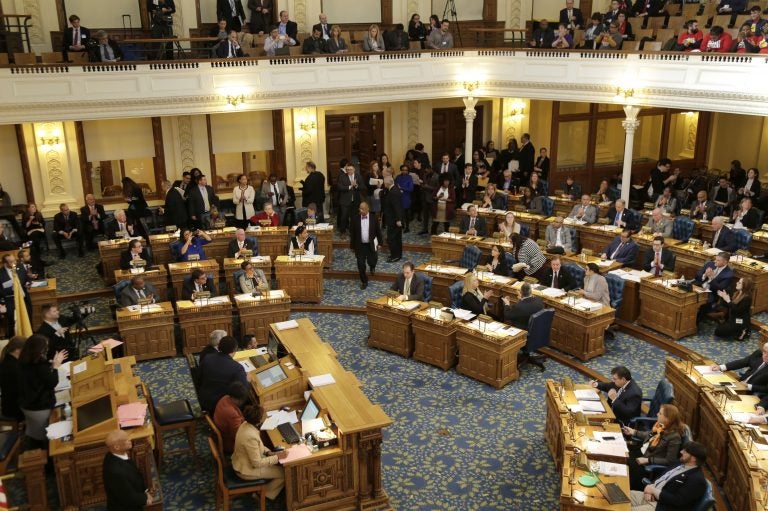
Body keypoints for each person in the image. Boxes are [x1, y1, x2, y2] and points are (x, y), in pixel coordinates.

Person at [622, 404, 686, 491]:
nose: (657, 414)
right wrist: (633, 432)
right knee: (619, 453)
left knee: (623, 464)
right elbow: (649, 435)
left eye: (660, 413)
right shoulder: (660, 427)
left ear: (667, 419)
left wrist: (648, 460)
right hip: (641, 451)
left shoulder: (674, 437)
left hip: (646, 460)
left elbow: (670, 460)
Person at [629, 441, 708, 511]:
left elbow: (677, 501)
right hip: (651, 497)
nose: (681, 451)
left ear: (693, 458)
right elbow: (661, 477)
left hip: (661, 507)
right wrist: (649, 490)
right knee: (621, 495)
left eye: (685, 451)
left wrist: (653, 491)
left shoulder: (696, 480)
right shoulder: (679, 463)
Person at [18, 334, 67, 448]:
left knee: (33, 430)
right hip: (38, 408)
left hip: (25, 404)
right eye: (45, 348)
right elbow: (52, 382)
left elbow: (36, 376)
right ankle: (44, 452)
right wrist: (55, 366)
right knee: (46, 436)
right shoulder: (40, 366)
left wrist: (49, 365)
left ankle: (32, 440)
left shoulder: (23, 361)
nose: (46, 350)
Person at [231, 405, 286, 500]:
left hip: (243, 462)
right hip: (246, 470)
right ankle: (262, 494)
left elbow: (258, 445)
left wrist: (269, 452)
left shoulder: (245, 425)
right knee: (285, 473)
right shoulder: (250, 436)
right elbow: (257, 463)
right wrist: (278, 457)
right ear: (259, 420)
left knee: (278, 466)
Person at [103, 429, 153, 511]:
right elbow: (129, 497)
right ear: (117, 447)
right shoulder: (116, 472)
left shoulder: (112, 454)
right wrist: (145, 498)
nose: (130, 440)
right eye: (126, 440)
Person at [198, 336, 248, 414]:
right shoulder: (237, 368)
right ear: (235, 349)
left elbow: (199, 378)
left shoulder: (207, 358)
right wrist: (248, 381)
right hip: (221, 405)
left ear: (219, 346)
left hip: (203, 398)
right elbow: (243, 391)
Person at [350, 201, 381, 290]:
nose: (361, 210)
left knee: (372, 260)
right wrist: (352, 246)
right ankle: (364, 281)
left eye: (363, 209)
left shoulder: (374, 217)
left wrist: (380, 243)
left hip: (371, 244)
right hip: (360, 246)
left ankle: (372, 266)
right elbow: (353, 233)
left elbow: (378, 231)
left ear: (368, 209)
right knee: (360, 264)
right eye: (360, 208)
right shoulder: (355, 218)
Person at [0, 253, 32, 338]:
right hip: (11, 302)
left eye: (15, 260)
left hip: (25, 299)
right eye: (11, 262)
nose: (14, 263)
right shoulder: (1, 274)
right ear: (5, 263)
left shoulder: (19, 266)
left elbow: (26, 278)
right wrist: (11, 289)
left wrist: (28, 283)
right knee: (14, 323)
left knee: (28, 319)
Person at [213, 381, 248, 454]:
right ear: (238, 399)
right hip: (229, 443)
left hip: (222, 435)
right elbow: (237, 436)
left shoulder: (225, 398)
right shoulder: (232, 413)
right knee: (263, 438)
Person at [0, 336, 25, 421]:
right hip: (14, 409)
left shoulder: (10, 360)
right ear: (18, 350)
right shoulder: (11, 366)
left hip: (12, 404)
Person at [337, 163, 362, 237]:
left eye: (350, 169)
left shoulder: (358, 176)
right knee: (344, 217)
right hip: (345, 201)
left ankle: (352, 231)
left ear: (354, 169)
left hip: (355, 201)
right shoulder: (342, 177)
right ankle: (343, 232)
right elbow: (339, 187)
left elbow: (363, 186)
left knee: (354, 217)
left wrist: (357, 186)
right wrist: (349, 187)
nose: (349, 171)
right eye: (347, 169)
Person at [382, 176, 404, 263]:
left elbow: (397, 207)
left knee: (392, 238)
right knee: (397, 238)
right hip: (394, 219)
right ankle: (398, 254)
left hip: (394, 220)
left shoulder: (393, 192)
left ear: (387, 183)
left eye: (384, 183)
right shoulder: (394, 189)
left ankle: (395, 256)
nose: (384, 184)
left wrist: (399, 220)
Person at [21, 203, 46, 268]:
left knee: (35, 236)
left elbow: (43, 224)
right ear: (28, 209)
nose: (34, 208)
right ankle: (36, 252)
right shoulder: (25, 215)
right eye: (32, 207)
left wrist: (39, 224)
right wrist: (30, 219)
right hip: (30, 232)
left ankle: (34, 251)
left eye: (35, 206)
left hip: (39, 231)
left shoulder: (38, 214)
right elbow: (25, 226)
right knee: (33, 236)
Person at [395, 165, 414, 233]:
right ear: (401, 170)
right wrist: (398, 189)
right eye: (403, 169)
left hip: (406, 197)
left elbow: (411, 189)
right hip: (398, 197)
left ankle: (407, 227)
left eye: (406, 170)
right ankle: (401, 224)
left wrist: (402, 188)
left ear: (408, 171)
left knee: (406, 214)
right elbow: (395, 186)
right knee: (399, 212)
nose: (404, 171)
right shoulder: (398, 177)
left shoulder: (410, 177)